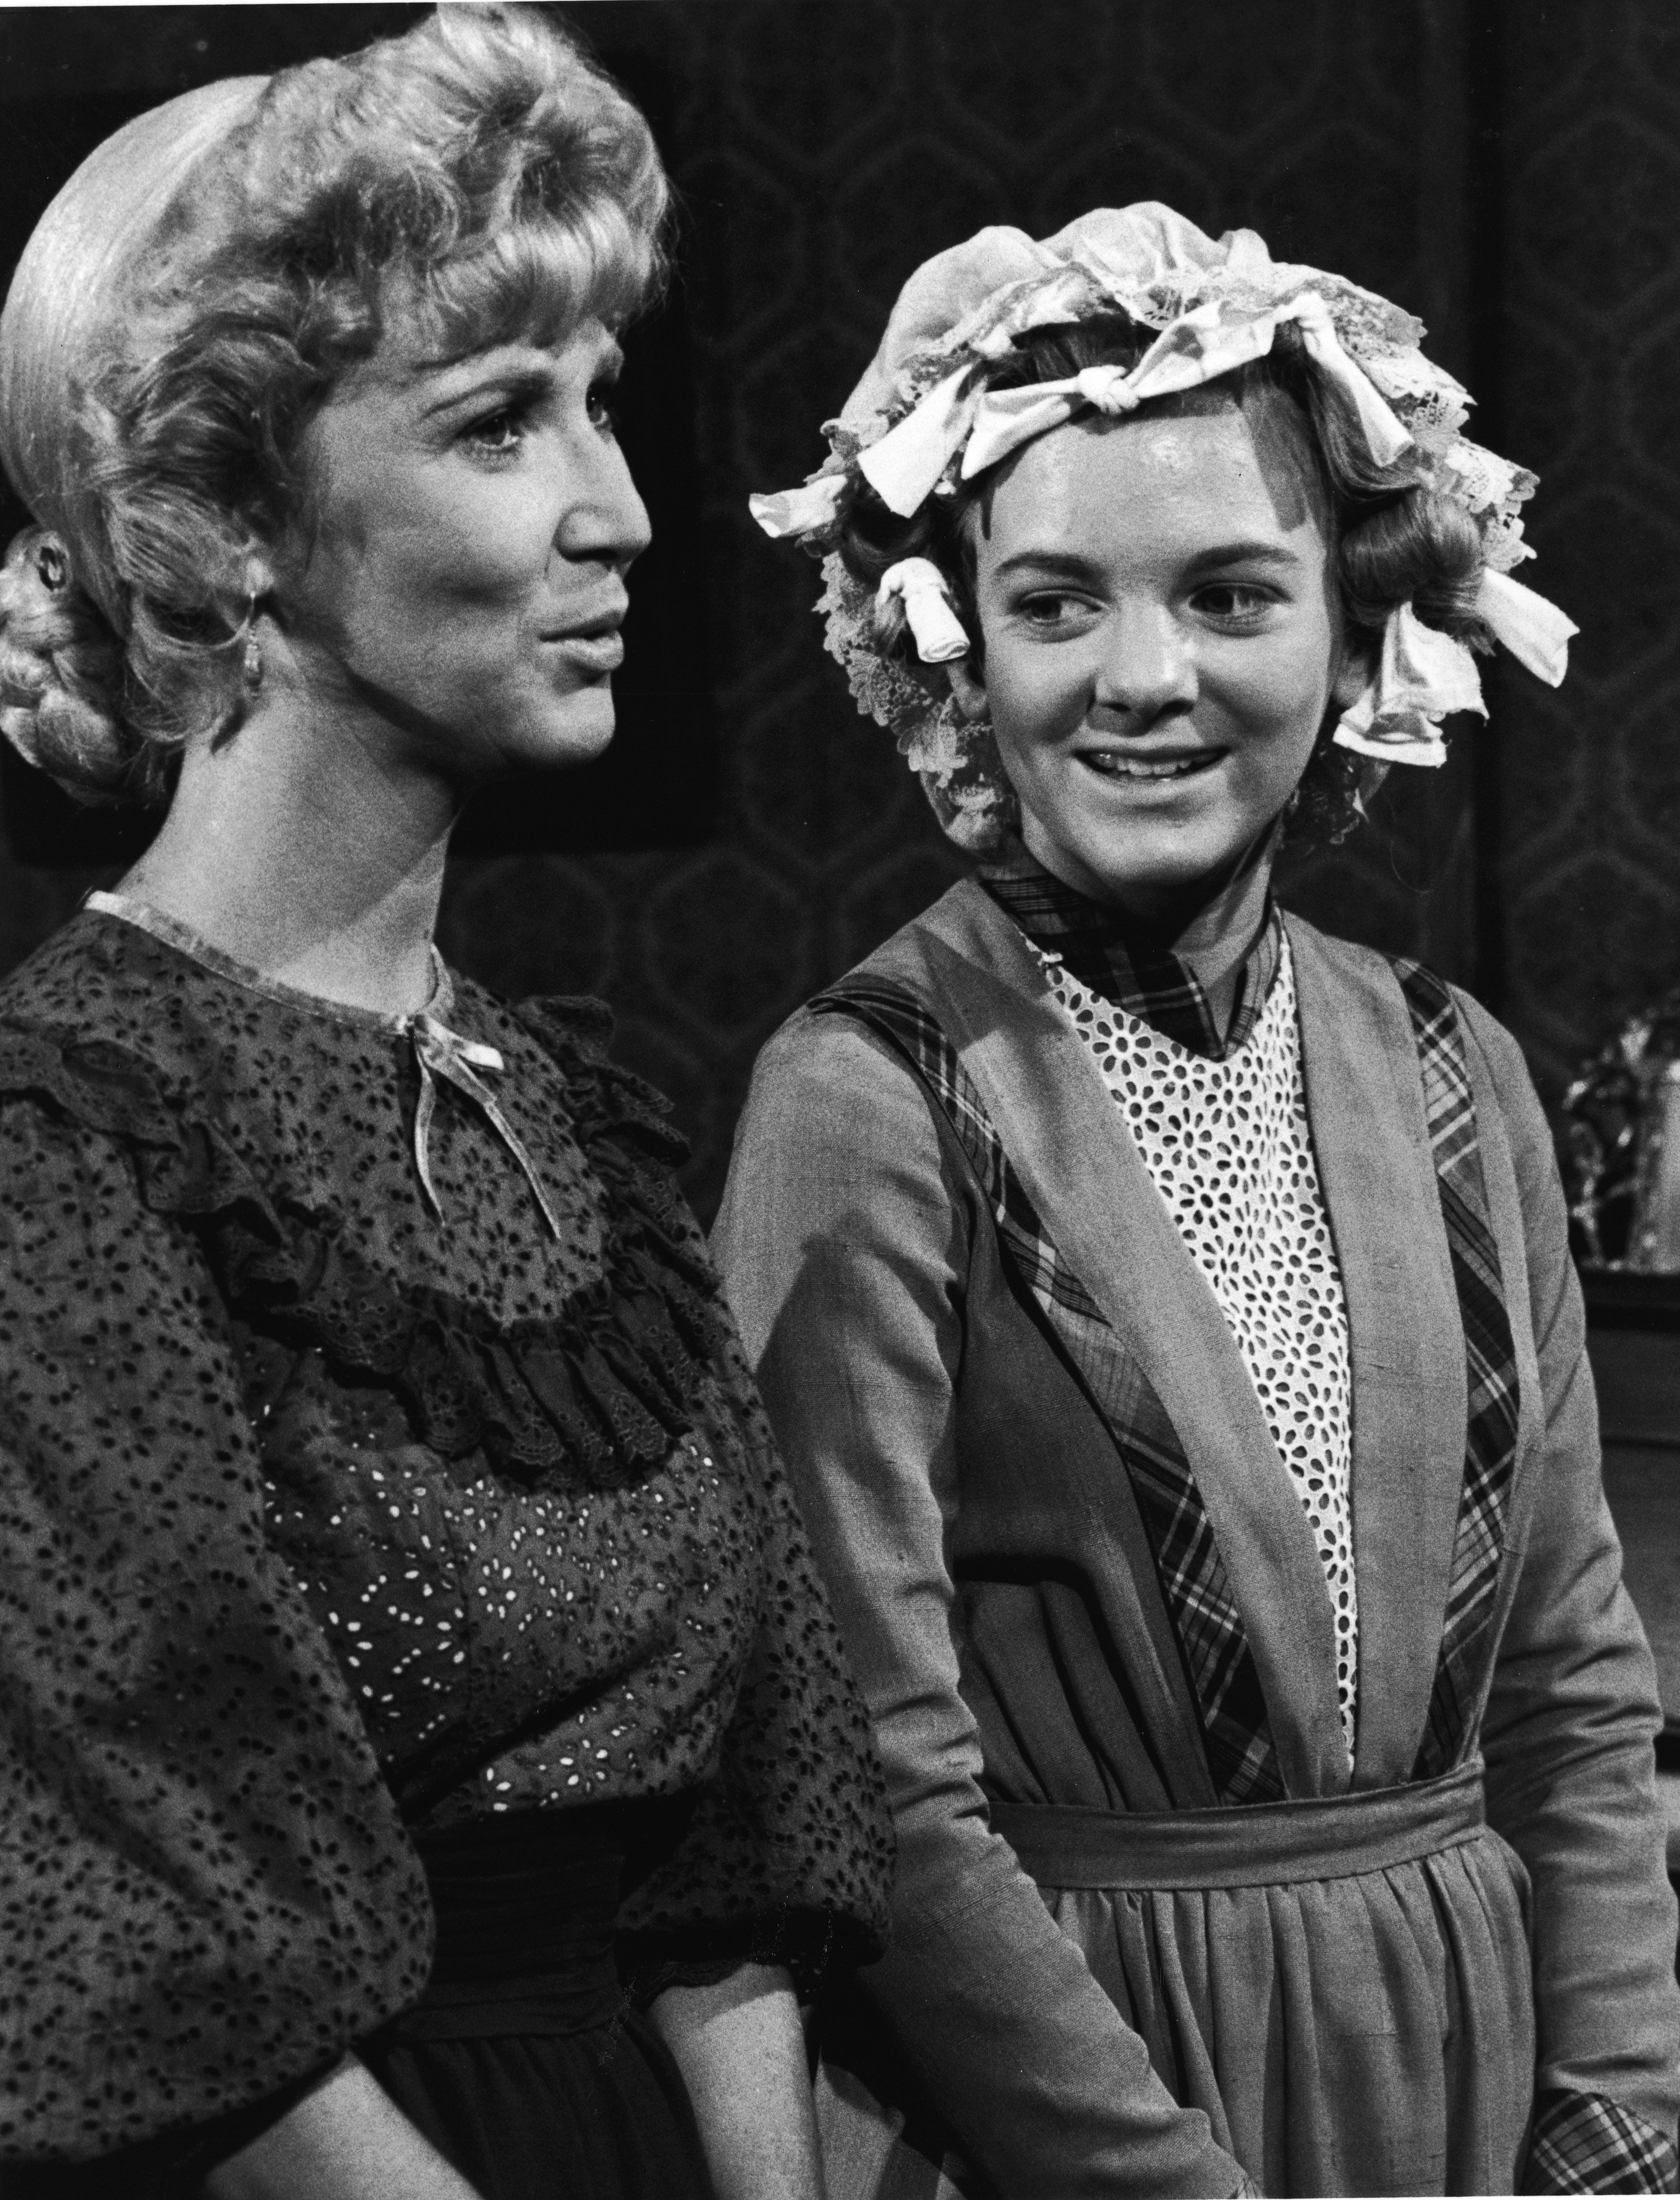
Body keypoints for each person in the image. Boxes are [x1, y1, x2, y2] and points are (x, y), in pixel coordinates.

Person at [0, 11, 892, 2197]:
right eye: (503, 420)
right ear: (219, 517)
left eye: (599, 402)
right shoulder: (67, 1137)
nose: (617, 505)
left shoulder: (563, 1105)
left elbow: (741, 1820)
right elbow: (164, 1954)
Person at [716, 204, 1680, 2198]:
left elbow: (1577, 1681)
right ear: (952, 642)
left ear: (1353, 627)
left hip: (1469, 2073)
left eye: (1232, 595)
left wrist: (1620, 2123)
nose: (1142, 677)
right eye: (1059, 604)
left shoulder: (1451, 1063)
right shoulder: (868, 1090)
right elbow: (871, 1778)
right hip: (1082, 2089)